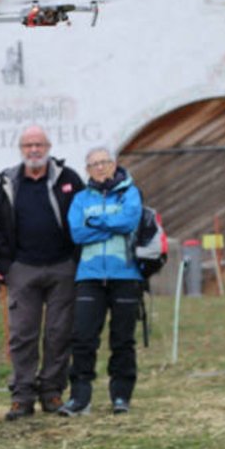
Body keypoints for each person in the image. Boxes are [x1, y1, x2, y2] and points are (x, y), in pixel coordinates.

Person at [0, 124, 84, 421]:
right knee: (22, 335)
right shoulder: (9, 182)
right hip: (23, 269)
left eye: (39, 144)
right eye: (28, 145)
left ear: (49, 147)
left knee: (58, 333)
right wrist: (4, 265)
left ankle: (52, 391)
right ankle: (22, 396)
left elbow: (82, 217)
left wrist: (77, 261)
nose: (34, 150)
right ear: (21, 150)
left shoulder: (68, 179)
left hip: (62, 267)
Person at [60, 147, 144, 416]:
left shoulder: (130, 193)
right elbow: (77, 233)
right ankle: (79, 398)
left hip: (126, 274)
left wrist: (96, 221)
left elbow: (129, 222)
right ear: (87, 170)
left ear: (114, 164)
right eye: (93, 164)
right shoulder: (80, 198)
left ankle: (121, 396)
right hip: (90, 275)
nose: (99, 168)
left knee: (122, 339)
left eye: (104, 162)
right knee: (83, 338)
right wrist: (110, 224)